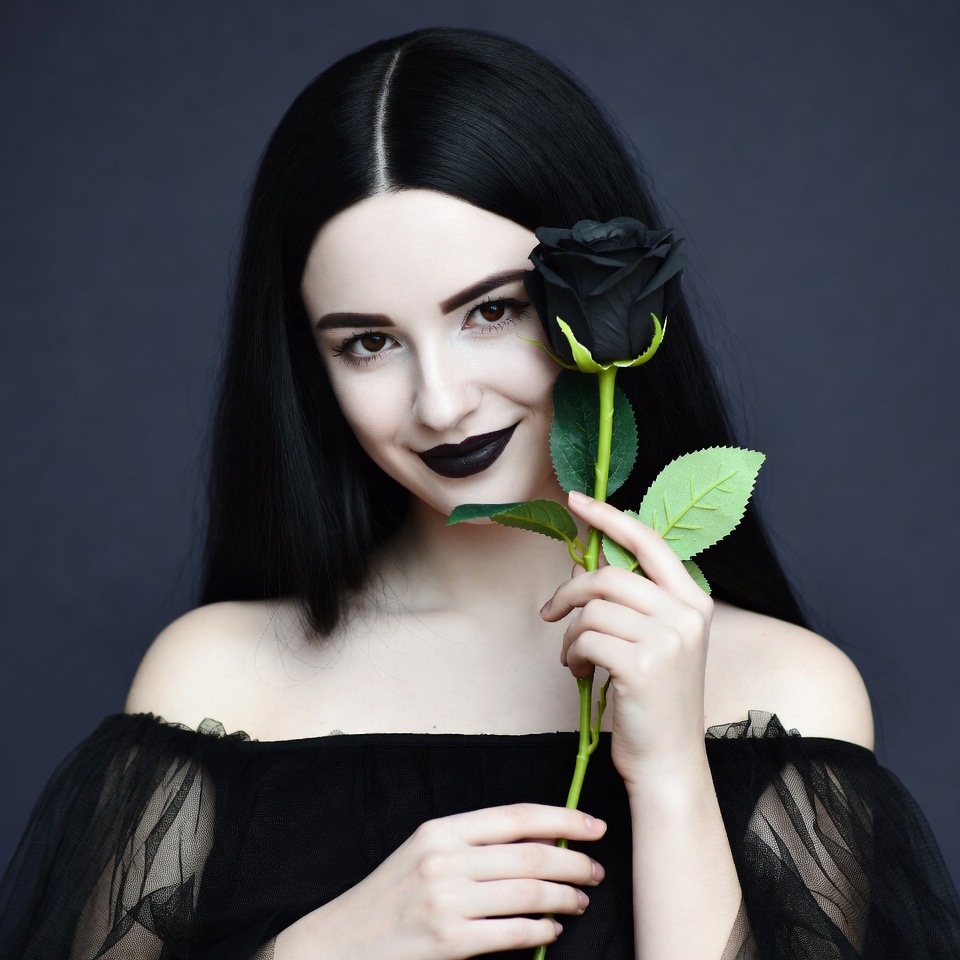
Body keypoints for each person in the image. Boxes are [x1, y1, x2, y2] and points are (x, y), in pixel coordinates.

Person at [1, 26, 957, 960]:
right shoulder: (216, 681)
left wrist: (669, 773)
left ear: (597, 307)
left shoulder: (787, 692)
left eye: (493, 311)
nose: (442, 402)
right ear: (309, 369)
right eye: (366, 343)